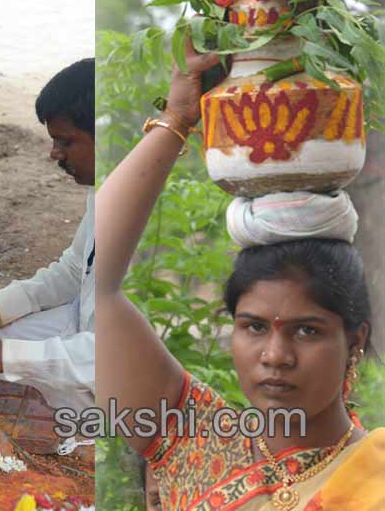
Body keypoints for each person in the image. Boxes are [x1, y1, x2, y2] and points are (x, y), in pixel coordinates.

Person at [97, 43, 384, 510]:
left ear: (355, 339)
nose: (275, 356)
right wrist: (178, 118)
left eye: (307, 331)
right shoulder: (195, 442)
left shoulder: (375, 481)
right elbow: (94, 283)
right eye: (253, 326)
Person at [0, 60, 95, 411]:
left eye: (65, 141)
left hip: (114, 375)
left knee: (3, 370)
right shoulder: (105, 192)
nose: (54, 154)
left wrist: (10, 357)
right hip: (83, 333)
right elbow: (74, 271)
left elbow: (115, 356)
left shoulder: (145, 218)